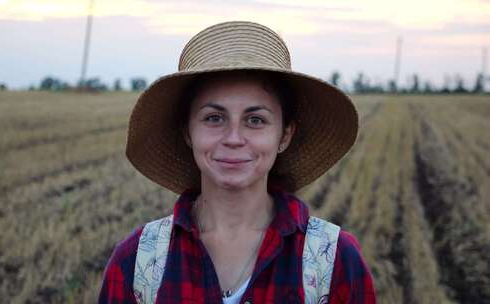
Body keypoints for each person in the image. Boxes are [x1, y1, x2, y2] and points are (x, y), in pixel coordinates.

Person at [99, 21, 376, 304]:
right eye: (214, 118)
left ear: (284, 135)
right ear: (187, 132)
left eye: (255, 120)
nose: (233, 138)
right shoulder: (137, 262)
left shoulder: (335, 261)